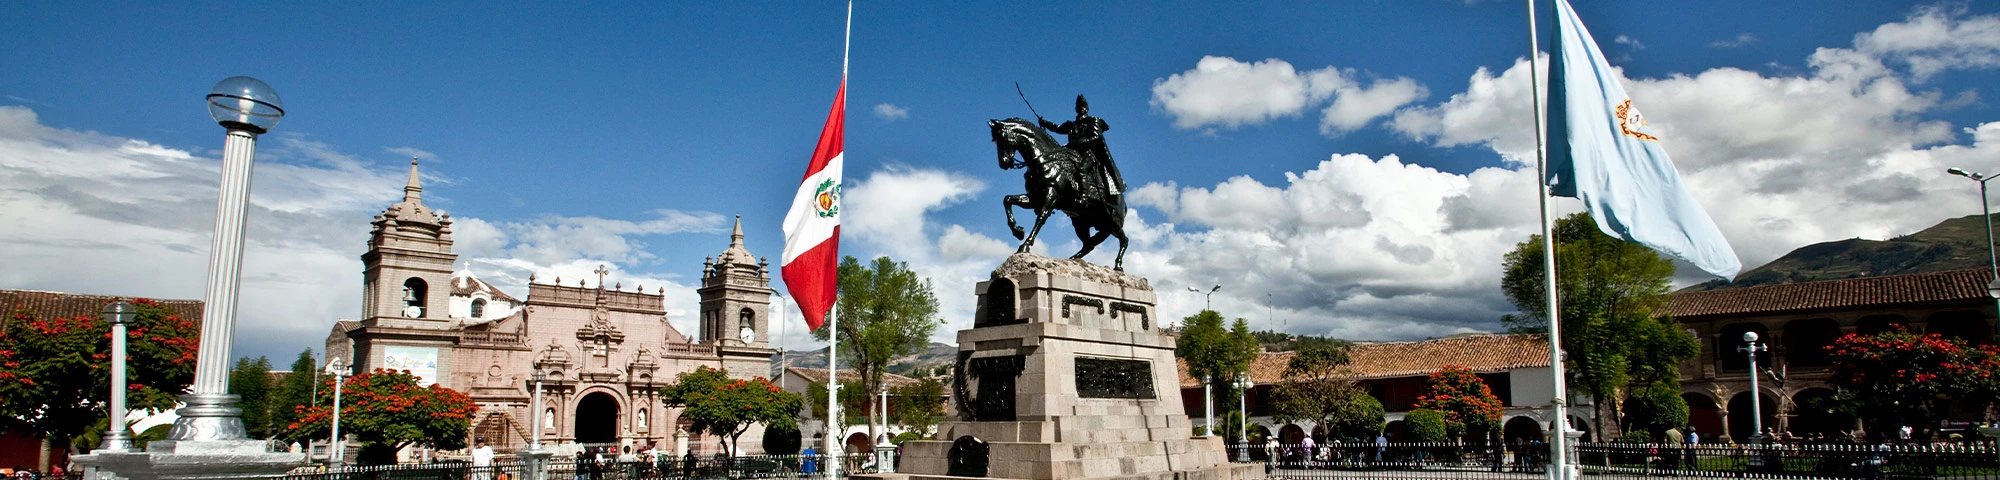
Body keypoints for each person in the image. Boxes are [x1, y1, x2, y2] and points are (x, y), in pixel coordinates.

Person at [1037, 95, 1126, 198]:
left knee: (1081, 168)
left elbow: (1096, 137)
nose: (1080, 108)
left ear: (1087, 108)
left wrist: (1077, 142)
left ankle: (1084, 195)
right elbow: (1057, 128)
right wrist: (1044, 123)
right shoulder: (1071, 125)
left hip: (1089, 154)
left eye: (1083, 106)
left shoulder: (1093, 121)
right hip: (1073, 153)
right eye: (1078, 106)